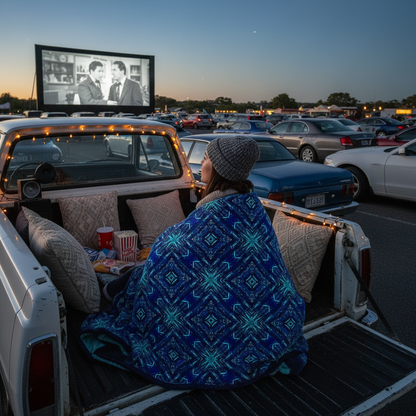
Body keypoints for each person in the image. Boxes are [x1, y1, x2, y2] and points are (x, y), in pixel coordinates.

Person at [80, 135, 308, 390]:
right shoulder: (252, 207)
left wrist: (161, 251)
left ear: (220, 169)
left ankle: (113, 287)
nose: (202, 165)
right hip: (261, 313)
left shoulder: (217, 212)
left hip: (214, 313)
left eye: (207, 158)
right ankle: (118, 284)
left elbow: (174, 248)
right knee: (144, 270)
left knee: (145, 274)